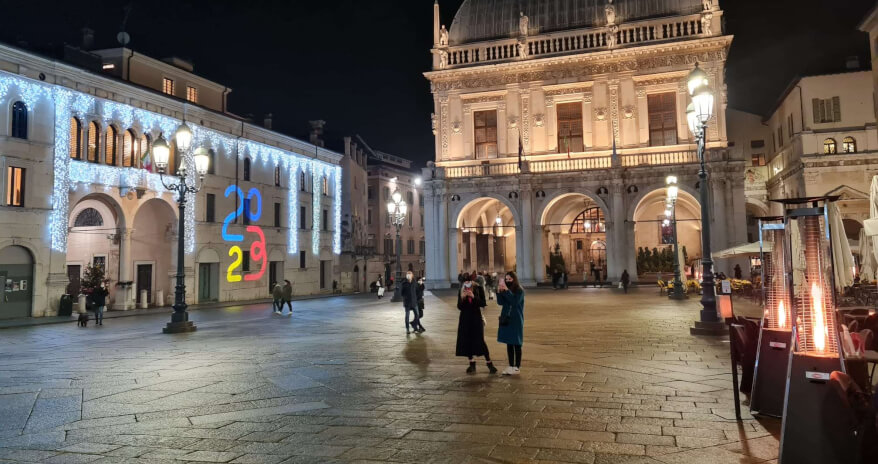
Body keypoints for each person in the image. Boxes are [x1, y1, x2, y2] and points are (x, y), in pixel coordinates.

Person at [456, 279, 498, 374]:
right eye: (465, 281)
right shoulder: (461, 290)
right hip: (465, 319)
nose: (466, 283)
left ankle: (489, 363)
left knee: (480, 340)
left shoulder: (478, 288)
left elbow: (483, 303)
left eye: (468, 281)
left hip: (476, 318)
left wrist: (473, 296)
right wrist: (462, 298)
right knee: (467, 340)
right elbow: (459, 307)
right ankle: (471, 363)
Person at [496, 271, 524, 375]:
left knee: (517, 343)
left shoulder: (519, 290)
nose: (508, 281)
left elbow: (514, 302)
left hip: (516, 319)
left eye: (510, 279)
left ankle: (517, 367)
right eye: (506, 279)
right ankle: (511, 365)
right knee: (509, 343)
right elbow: (500, 302)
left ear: (514, 279)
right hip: (506, 318)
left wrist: (507, 291)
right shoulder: (506, 290)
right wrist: (499, 292)